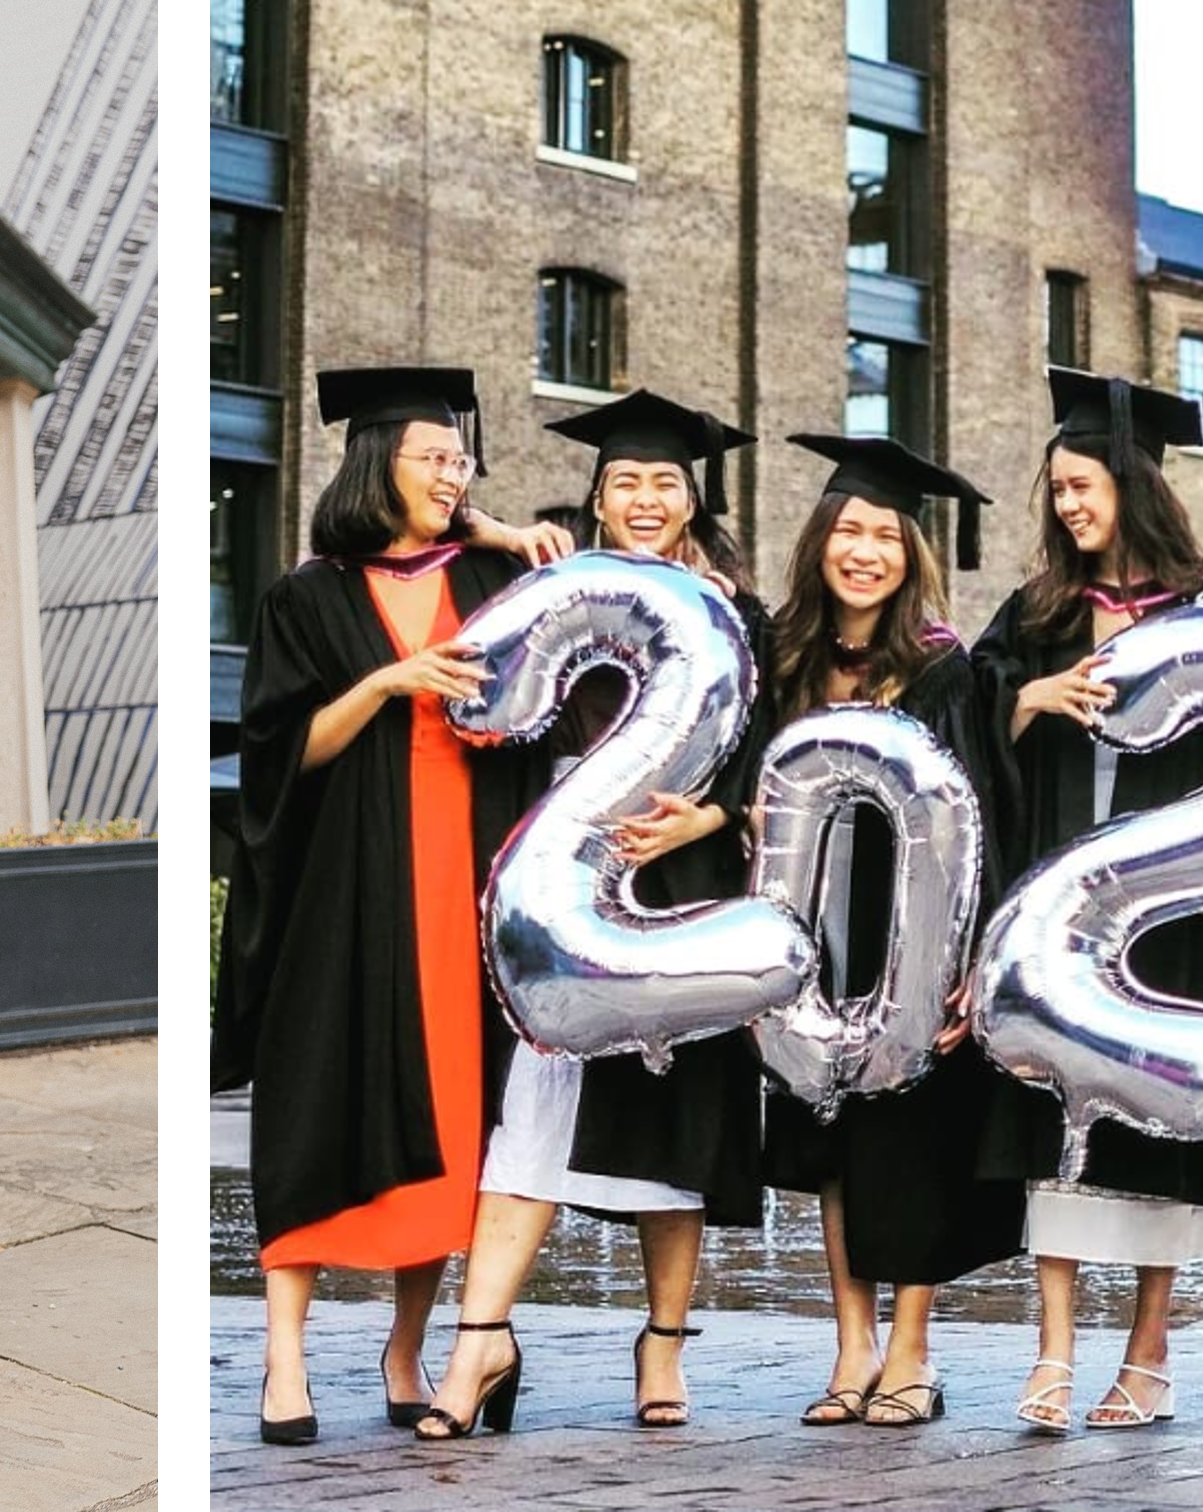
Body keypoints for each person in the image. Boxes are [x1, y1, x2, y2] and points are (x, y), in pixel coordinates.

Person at [421, 389, 768, 1436]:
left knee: (678, 1120)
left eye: (664, 481)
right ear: (595, 497)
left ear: (693, 499)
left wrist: (702, 817)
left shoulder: (738, 615)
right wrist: (491, 526)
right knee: (535, 1103)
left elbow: (765, 753)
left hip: (682, 874)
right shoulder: (559, 582)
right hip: (566, 876)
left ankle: (661, 1349)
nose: (645, 497)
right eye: (625, 481)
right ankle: (478, 1341)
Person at [222, 368, 552, 1446]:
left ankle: (407, 1349)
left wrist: (510, 533)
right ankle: (283, 1361)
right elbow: (278, 758)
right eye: (433, 458)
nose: (453, 475)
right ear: (376, 465)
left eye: (461, 460)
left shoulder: (491, 580)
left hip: (460, 891)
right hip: (341, 896)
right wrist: (382, 684)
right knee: (313, 1106)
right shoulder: (303, 599)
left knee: (448, 1118)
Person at [970, 368, 1203, 1432]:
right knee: (1055, 1118)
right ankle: (1051, 1353)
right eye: (1055, 488)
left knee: (1156, 1131)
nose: (1066, 506)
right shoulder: (1041, 613)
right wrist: (1027, 701)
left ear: (1131, 485)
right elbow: (966, 722)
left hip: (1173, 917)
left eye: (1082, 485)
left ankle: (1145, 1356)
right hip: (1059, 911)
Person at [754, 433, 1024, 1430]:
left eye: (883, 534)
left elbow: (975, 813)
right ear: (819, 539)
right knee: (830, 1145)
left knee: (910, 1144)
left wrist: (967, 961)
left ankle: (910, 1352)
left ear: (911, 555)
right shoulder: (784, 656)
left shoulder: (941, 671)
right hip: (810, 939)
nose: (861, 549)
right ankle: (849, 1347)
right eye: (846, 529)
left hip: (910, 937)